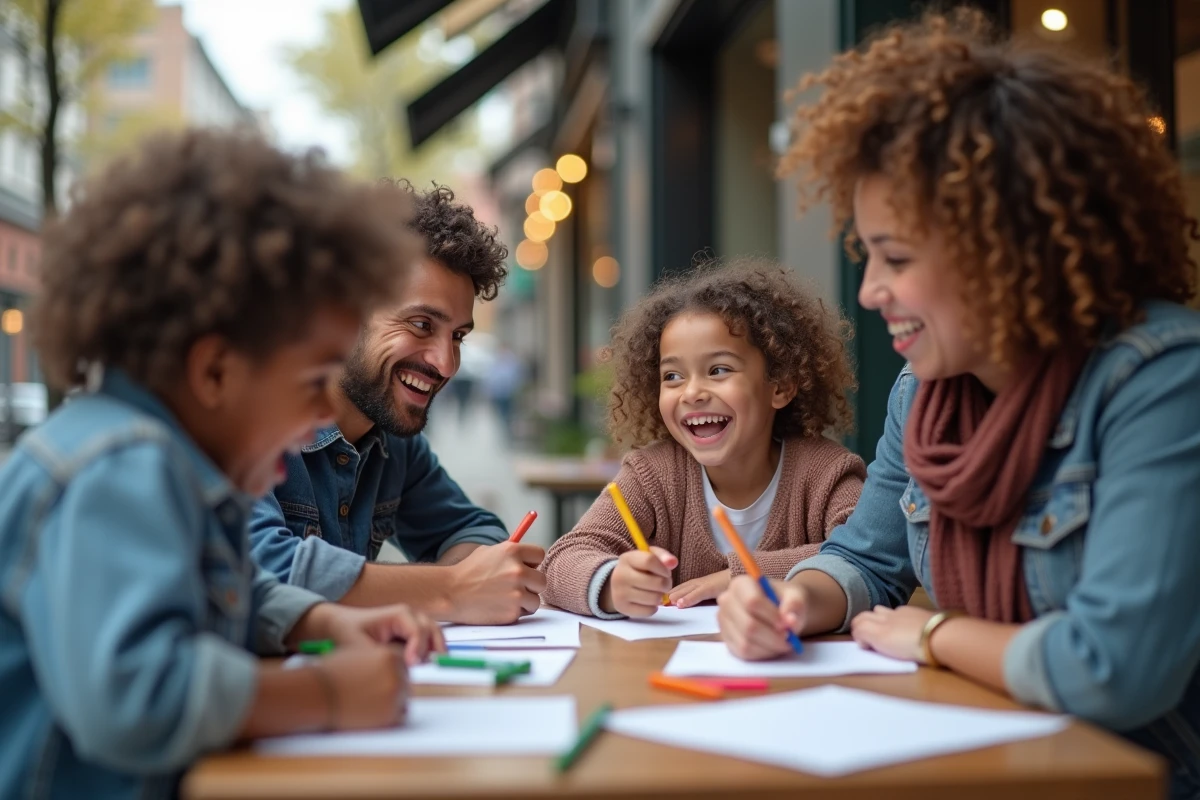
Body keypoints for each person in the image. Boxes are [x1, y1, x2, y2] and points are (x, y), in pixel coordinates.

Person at [715, 11, 1200, 796]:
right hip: (986, 763)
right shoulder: (924, 394)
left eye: (897, 258)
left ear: (1007, 251)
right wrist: (792, 599)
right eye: (868, 256)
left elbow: (1114, 670)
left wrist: (935, 634)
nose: (870, 291)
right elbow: (865, 559)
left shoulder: (1161, 380)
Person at [0, 129, 446, 800]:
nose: (325, 413)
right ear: (214, 371)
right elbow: (136, 695)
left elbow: (228, 592)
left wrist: (322, 622)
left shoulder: (173, 465)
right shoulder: (119, 468)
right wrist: (324, 693)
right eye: (314, 382)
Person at [250, 182, 546, 624]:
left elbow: (476, 531)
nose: (447, 363)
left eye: (458, 336)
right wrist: (451, 590)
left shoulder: (393, 444)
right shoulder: (247, 420)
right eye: (422, 324)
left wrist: (465, 585)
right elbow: (258, 572)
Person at [541, 258, 865, 618]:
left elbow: (865, 555)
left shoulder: (827, 473)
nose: (692, 392)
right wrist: (612, 583)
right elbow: (560, 561)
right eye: (672, 376)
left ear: (781, 386)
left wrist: (738, 576)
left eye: (718, 370)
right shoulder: (652, 475)